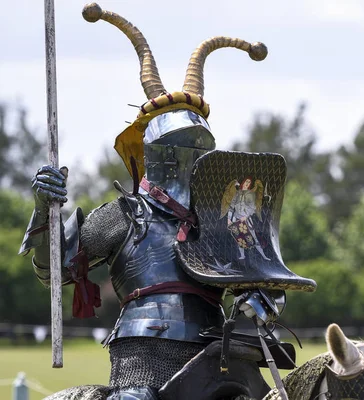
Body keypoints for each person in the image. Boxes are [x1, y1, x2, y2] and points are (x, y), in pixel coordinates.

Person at [20, 3, 316, 399]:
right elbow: (52, 269)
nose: (189, 158)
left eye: (198, 149)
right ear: (157, 152)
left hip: (217, 354)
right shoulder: (125, 215)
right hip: (142, 355)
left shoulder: (222, 219)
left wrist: (263, 299)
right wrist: (44, 206)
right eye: (180, 148)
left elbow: (263, 273)